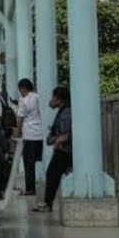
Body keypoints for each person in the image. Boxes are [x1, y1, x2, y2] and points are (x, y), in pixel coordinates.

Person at [34, 85, 72, 213]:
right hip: (65, 150)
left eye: (53, 98)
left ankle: (48, 203)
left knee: (52, 174)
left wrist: (56, 139)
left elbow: (67, 134)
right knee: (54, 174)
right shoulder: (64, 111)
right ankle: (48, 202)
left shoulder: (65, 113)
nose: (51, 100)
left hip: (64, 150)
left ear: (59, 99)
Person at [16, 78, 44, 196]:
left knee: (28, 163)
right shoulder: (38, 97)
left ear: (23, 88)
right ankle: (41, 183)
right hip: (40, 134)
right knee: (39, 160)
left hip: (29, 135)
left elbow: (20, 118)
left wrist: (18, 131)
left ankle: (30, 188)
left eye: (20, 90)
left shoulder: (24, 100)